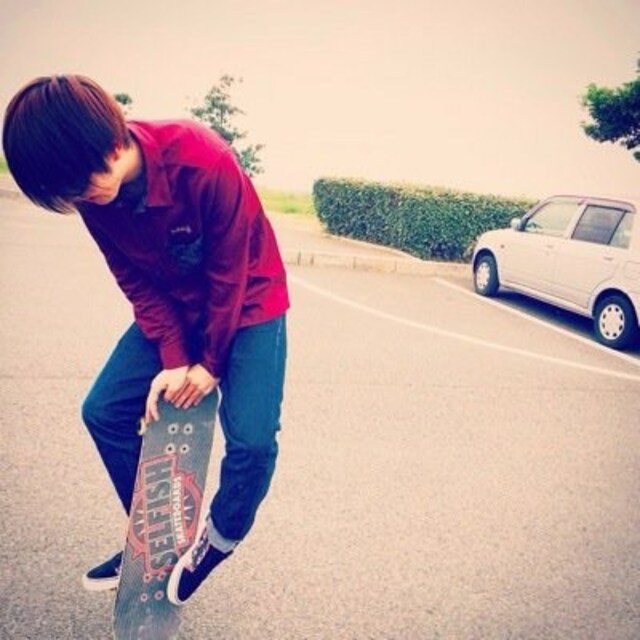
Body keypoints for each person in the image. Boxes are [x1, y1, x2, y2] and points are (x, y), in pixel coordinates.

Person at [2, 74, 289, 605]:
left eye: (83, 183)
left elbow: (230, 273)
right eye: (68, 194)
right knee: (103, 410)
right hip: (176, 303)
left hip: (250, 300)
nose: (82, 198)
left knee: (252, 441)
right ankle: (154, 538)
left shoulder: (203, 159)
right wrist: (174, 358)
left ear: (111, 142)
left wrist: (208, 365)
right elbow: (133, 279)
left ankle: (216, 540)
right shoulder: (90, 198)